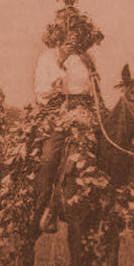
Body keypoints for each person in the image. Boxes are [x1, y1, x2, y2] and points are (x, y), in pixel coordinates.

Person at [31, 32, 99, 234]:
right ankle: (45, 207)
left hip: (86, 112)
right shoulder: (48, 58)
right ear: (59, 36)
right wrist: (59, 66)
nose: (73, 40)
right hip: (57, 111)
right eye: (69, 35)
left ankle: (101, 207)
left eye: (77, 36)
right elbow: (41, 91)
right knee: (49, 157)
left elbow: (93, 90)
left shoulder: (87, 59)